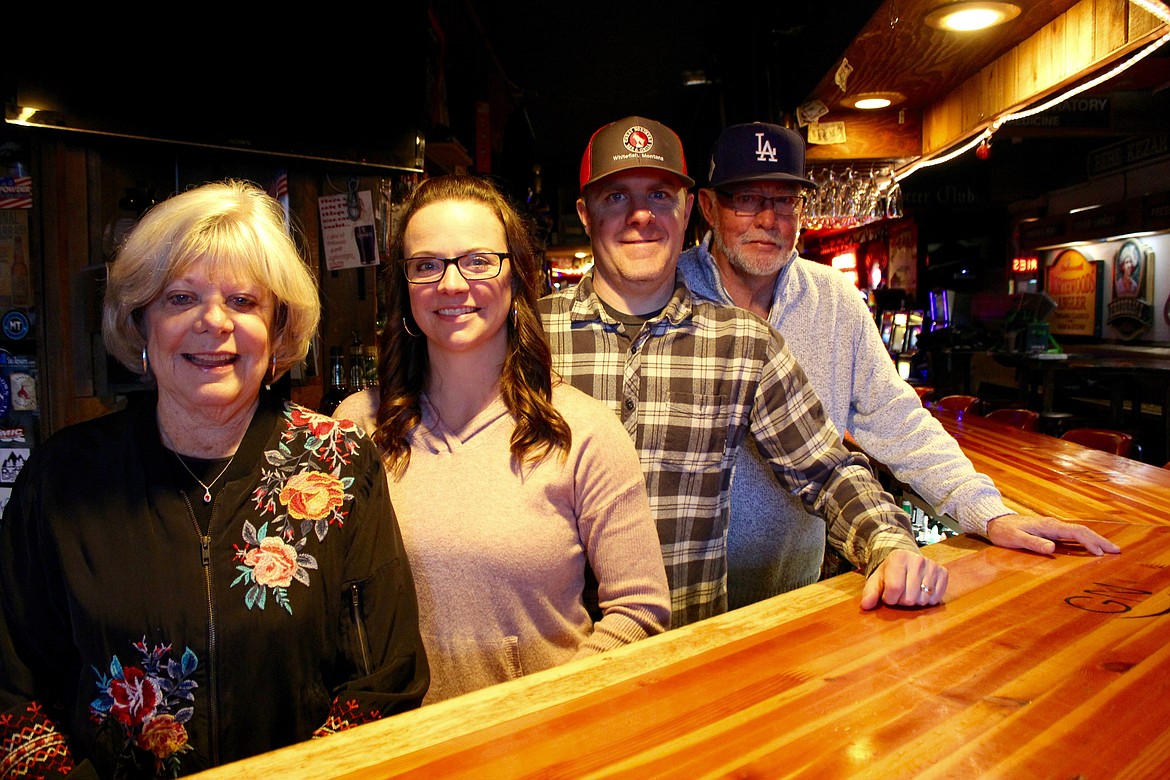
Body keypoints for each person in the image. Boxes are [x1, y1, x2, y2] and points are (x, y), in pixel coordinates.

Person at [0, 180, 428, 779]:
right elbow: (13, 687)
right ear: (139, 320)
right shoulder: (63, 480)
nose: (213, 323)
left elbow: (387, 675)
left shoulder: (338, 462)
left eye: (244, 301)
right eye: (180, 298)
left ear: (279, 328)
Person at [677, 122, 1121, 607]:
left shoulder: (833, 300)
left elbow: (898, 420)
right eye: (745, 198)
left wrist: (988, 512)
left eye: (784, 200)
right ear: (707, 207)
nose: (768, 218)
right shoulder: (665, 292)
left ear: (801, 210)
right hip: (669, 606)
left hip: (794, 596)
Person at [538, 115, 947, 629]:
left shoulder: (741, 342)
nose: (641, 215)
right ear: (584, 212)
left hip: (684, 651)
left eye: (661, 196)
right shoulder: (527, 337)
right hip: (553, 659)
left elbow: (826, 469)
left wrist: (889, 544)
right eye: (616, 196)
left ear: (689, 209)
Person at [333, 175, 670, 704]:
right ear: (404, 287)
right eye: (427, 265)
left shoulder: (582, 430)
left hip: (539, 746)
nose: (451, 284)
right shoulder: (358, 426)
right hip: (395, 745)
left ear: (516, 277)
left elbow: (641, 611)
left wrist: (538, 708)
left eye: (478, 261)